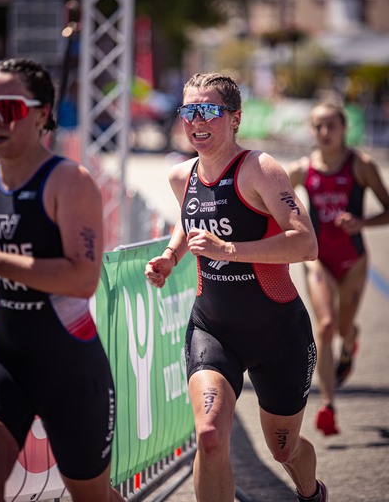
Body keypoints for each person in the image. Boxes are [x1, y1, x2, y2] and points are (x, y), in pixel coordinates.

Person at [145, 73, 328, 502]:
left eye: (209, 110)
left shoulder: (260, 169)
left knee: (283, 448)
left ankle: (311, 491)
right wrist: (171, 257)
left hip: (278, 331)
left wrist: (228, 249)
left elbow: (306, 243)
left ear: (235, 119)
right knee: (209, 437)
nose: (197, 121)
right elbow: (189, 219)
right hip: (214, 329)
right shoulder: (180, 176)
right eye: (189, 111)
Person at [0, 58, 124, 502]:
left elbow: (83, 279)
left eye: (7, 108)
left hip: (68, 366)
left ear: (41, 113)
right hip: (3, 357)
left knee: (94, 497)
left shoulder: (68, 181)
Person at [288, 98, 389, 436]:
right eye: (318, 125)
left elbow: (388, 210)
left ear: (345, 128)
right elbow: (266, 200)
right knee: (326, 325)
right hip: (320, 259)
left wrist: (361, 222)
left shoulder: (361, 165)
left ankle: (353, 340)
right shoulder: (302, 169)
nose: (325, 131)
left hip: (354, 259)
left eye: (332, 125)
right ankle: (328, 405)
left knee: (344, 327)